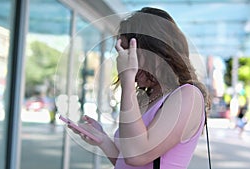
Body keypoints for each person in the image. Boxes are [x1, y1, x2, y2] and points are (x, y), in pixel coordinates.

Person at [68, 7, 211, 169]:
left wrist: (127, 78)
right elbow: (128, 161)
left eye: (130, 52)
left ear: (157, 52)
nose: (125, 58)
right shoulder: (145, 96)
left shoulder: (188, 96)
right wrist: (103, 141)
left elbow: (137, 155)